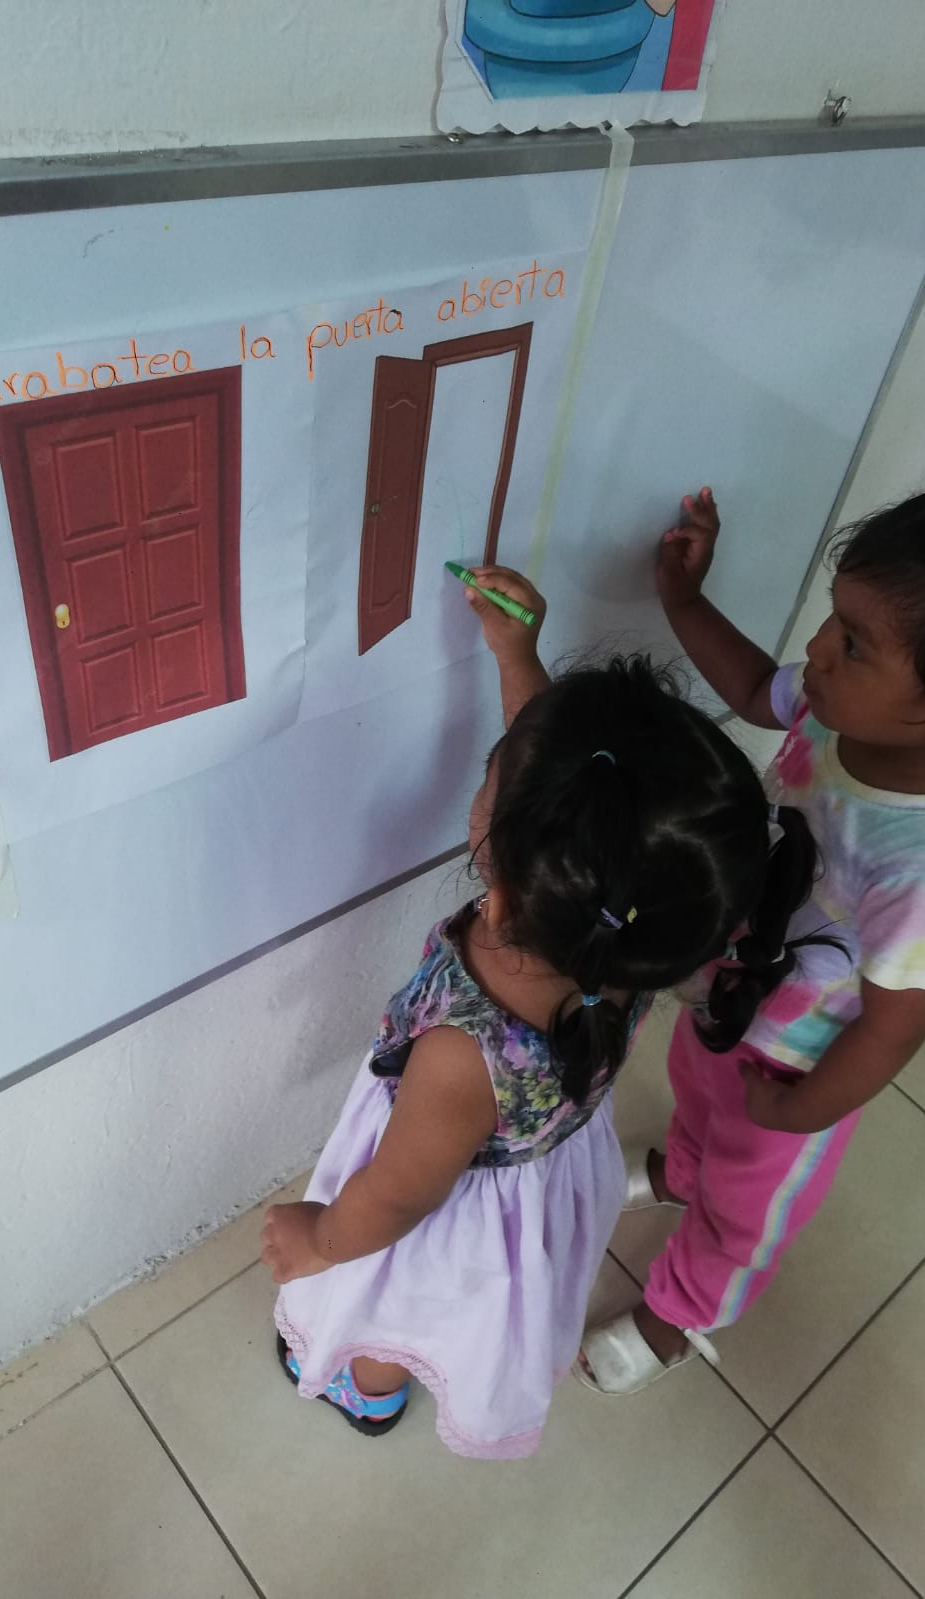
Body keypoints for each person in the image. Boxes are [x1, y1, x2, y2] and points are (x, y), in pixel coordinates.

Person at [579, 474, 925, 1392]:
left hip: (795, 1074)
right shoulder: (839, 707)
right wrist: (683, 600)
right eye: (834, 619)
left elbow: (890, 1031)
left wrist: (801, 1113)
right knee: (695, 1097)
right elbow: (754, 686)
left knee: (740, 1217)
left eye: (852, 641)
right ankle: (681, 1169)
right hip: (729, 998)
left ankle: (675, 1316)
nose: (816, 648)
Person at [262, 566, 812, 1459]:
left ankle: (370, 1388)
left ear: (511, 862)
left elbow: (397, 1196)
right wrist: (516, 654)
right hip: (542, 1176)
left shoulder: (461, 1054)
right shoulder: (629, 935)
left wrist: (319, 1237)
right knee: (433, 1296)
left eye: (496, 772)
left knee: (393, 1297)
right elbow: (569, 784)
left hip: (438, 1211)